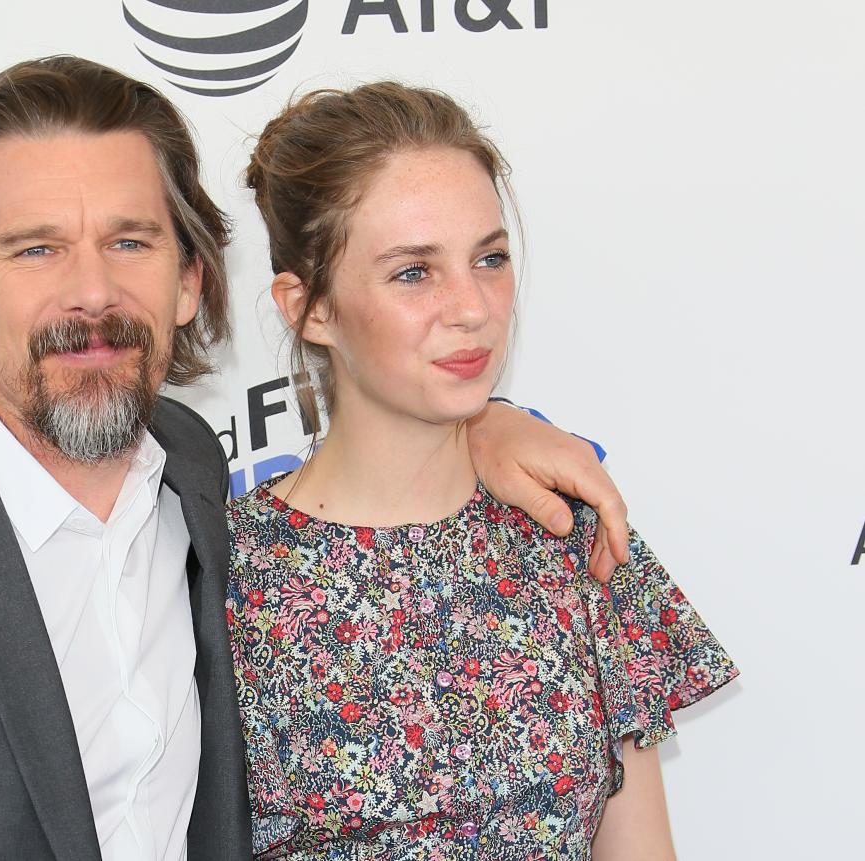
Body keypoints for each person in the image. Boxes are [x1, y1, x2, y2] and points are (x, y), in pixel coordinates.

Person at [0, 59, 628, 861]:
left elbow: (380, 459)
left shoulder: (195, 480)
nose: (92, 294)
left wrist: (482, 423)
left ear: (190, 282)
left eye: (132, 243)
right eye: (36, 251)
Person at [227, 82, 738, 859]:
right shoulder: (227, 575)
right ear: (309, 308)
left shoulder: (568, 531)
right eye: (413, 272)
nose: (472, 307)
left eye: (489, 258)